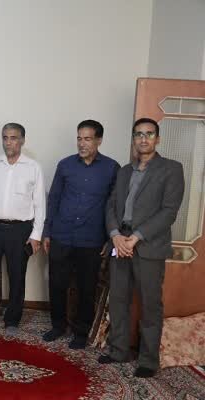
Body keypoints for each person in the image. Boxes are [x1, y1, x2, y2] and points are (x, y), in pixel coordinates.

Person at [99, 118, 184, 378]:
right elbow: (111, 205)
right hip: (120, 242)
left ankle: (148, 360)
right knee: (119, 300)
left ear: (158, 139)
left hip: (148, 245)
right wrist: (115, 235)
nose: (143, 139)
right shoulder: (124, 171)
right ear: (133, 139)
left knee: (150, 304)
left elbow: (169, 212)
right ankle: (118, 351)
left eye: (149, 134)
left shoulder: (171, 169)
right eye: (138, 134)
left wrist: (135, 237)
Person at [42, 120, 120, 349]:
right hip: (62, 235)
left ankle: (81, 331)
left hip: (91, 239)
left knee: (87, 288)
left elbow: (114, 206)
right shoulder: (65, 165)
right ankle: (57, 326)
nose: (82, 143)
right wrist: (47, 231)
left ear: (99, 140)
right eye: (79, 138)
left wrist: (109, 238)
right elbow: (54, 199)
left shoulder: (112, 168)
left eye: (87, 139)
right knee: (57, 284)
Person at [0, 123, 45, 333]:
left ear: (22, 140)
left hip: (20, 230)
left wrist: (36, 235)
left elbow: (40, 204)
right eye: (5, 138)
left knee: (17, 276)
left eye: (13, 138)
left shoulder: (33, 167)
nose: (8, 142)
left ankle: (12, 320)